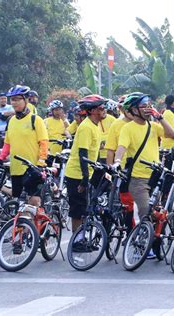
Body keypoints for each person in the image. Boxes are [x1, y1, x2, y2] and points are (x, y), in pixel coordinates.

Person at [113, 93, 174, 221]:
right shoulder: (128, 128)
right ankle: (141, 239)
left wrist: (159, 116)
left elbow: (171, 133)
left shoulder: (153, 126)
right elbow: (121, 147)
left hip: (156, 177)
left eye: (149, 106)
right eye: (144, 107)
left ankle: (154, 239)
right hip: (138, 179)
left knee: (158, 215)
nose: (148, 109)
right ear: (135, 110)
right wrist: (117, 161)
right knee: (145, 211)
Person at [0, 85, 49, 207]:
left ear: (26, 100)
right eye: (12, 99)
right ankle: (20, 225)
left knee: (34, 202)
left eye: (17, 99)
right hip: (16, 169)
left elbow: (44, 143)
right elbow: (8, 143)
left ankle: (31, 226)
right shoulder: (11, 121)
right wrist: (1, 157)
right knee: (16, 200)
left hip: (32, 168)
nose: (14, 102)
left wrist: (40, 163)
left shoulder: (35, 120)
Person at [64, 95, 105, 236]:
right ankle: (76, 240)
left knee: (85, 207)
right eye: (101, 108)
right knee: (77, 209)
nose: (104, 110)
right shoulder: (86, 127)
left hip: (87, 172)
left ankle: (82, 237)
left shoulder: (95, 126)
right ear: (93, 111)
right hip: (77, 173)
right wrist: (84, 179)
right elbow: (83, 155)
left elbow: (95, 152)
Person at [105, 94, 134, 235]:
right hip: (121, 169)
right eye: (123, 107)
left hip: (140, 170)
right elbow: (110, 149)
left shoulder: (142, 123)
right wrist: (110, 170)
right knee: (119, 203)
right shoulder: (116, 124)